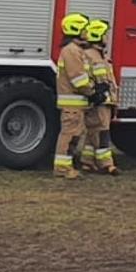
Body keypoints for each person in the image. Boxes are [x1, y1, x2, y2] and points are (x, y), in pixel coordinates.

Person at [52, 13, 95, 179]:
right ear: (76, 29)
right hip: (72, 106)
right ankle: (62, 169)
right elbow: (78, 79)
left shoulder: (75, 50)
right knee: (69, 136)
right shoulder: (71, 51)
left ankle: (66, 167)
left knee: (74, 136)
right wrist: (92, 92)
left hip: (76, 105)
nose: (87, 32)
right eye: (84, 29)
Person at [79, 18, 120, 176]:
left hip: (105, 100)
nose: (107, 38)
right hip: (99, 101)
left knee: (93, 132)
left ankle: (87, 162)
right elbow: (85, 78)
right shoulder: (90, 56)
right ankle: (106, 164)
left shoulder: (99, 55)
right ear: (98, 35)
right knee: (102, 132)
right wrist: (95, 94)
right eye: (105, 34)